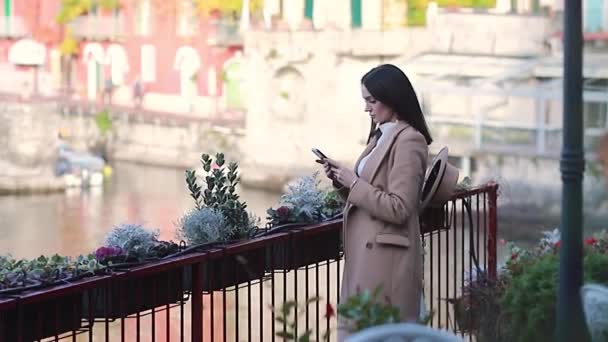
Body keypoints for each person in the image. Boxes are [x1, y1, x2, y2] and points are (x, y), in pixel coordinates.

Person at [318, 64, 433, 340]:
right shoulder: (381, 135)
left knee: (376, 332)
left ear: (392, 99)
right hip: (365, 253)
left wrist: (353, 182)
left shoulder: (409, 140)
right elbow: (370, 192)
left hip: (386, 258)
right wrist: (341, 180)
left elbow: (400, 207)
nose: (367, 109)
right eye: (364, 101)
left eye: (371, 101)